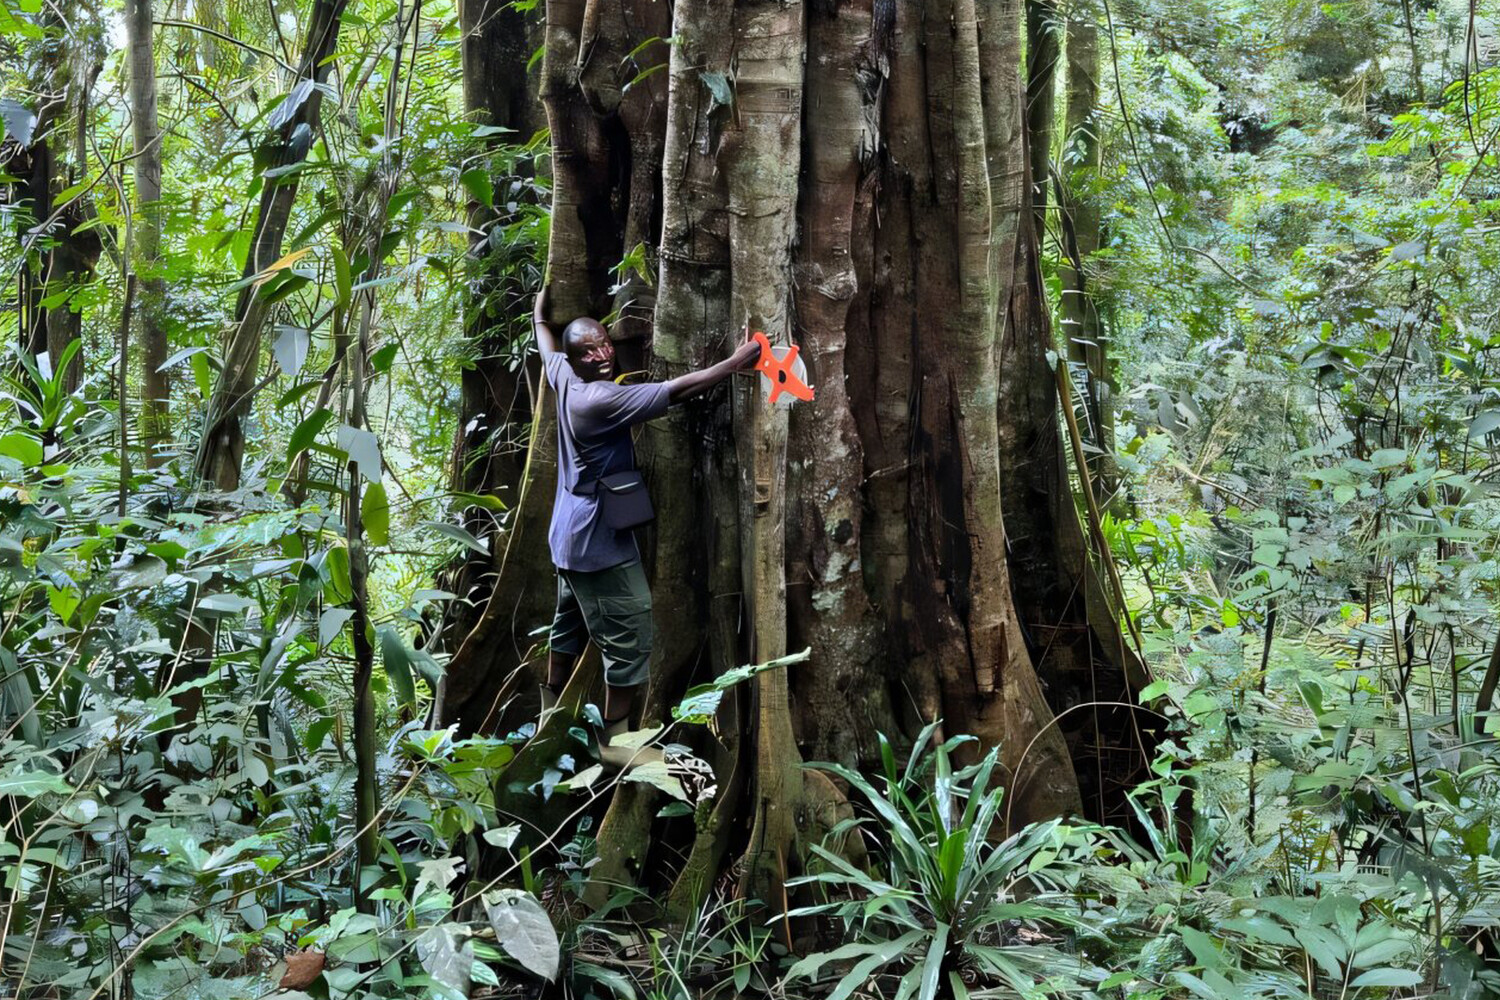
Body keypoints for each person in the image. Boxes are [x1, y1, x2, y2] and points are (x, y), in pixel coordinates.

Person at [532, 286, 760, 769]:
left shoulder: (562, 374)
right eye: (588, 352)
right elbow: (677, 390)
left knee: (568, 622)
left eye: (603, 344)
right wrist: (734, 362)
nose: (601, 356)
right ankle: (615, 740)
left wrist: (539, 316)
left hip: (567, 535)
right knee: (630, 630)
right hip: (597, 543)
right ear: (576, 361)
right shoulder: (598, 399)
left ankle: (551, 709)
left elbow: (546, 348)